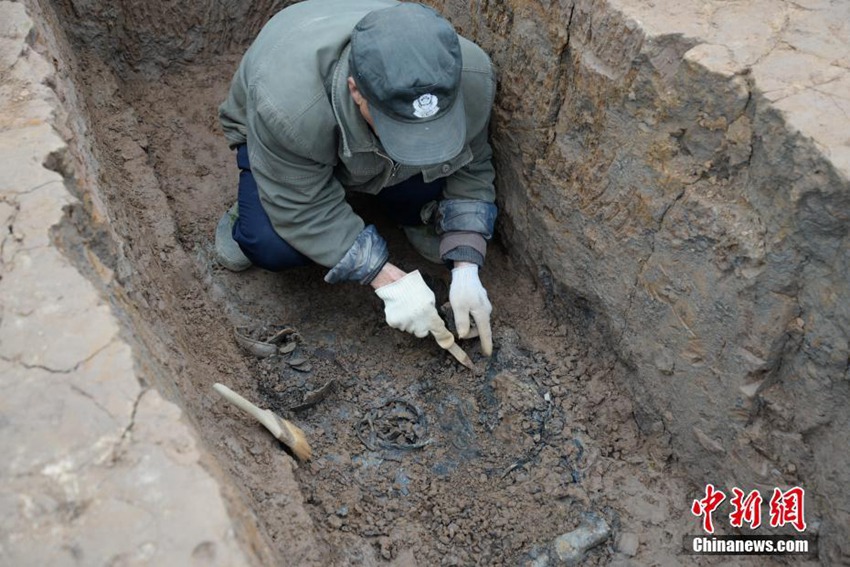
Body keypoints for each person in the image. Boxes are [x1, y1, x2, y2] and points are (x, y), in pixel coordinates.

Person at [216, 0, 497, 357]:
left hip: (365, 149)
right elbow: (303, 208)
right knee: (271, 243)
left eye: (430, 129)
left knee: (420, 190)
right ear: (356, 91)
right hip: (284, 144)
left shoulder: (467, 76)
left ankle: (409, 208)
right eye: (401, 129)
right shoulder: (288, 108)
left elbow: (471, 164)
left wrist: (466, 264)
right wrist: (385, 277)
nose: (418, 140)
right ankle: (251, 203)